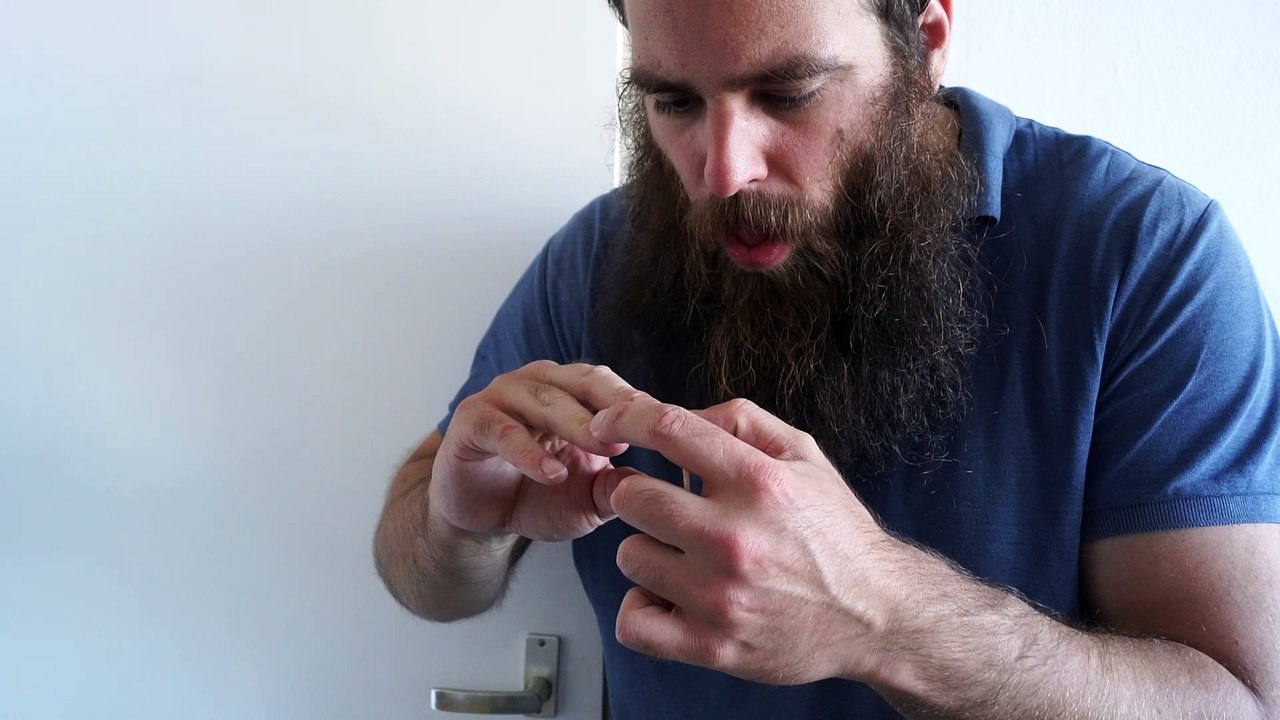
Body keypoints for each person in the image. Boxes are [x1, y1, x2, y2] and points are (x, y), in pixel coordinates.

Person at [374, 0, 1280, 717]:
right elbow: (427, 583)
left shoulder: (1144, 255)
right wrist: (466, 524)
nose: (722, 171)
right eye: (674, 101)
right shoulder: (597, 256)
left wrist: (880, 617)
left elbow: (1236, 702)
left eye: (789, 93)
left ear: (925, 43)